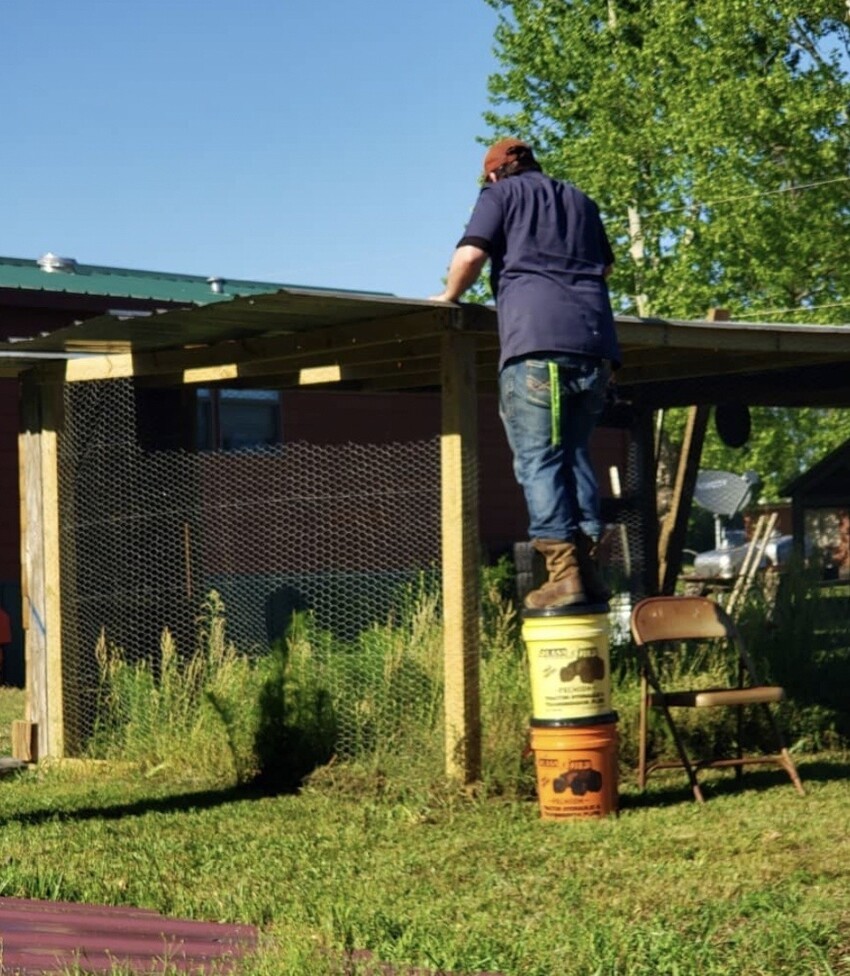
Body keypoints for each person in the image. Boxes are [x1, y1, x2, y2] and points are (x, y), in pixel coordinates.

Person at [429, 138, 620, 610]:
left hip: (536, 343)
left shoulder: (498, 196)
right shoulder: (580, 200)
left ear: (494, 174)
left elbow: (472, 255)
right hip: (595, 345)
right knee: (575, 452)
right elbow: (608, 267)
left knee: (538, 459)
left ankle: (563, 572)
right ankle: (588, 565)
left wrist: (448, 297)